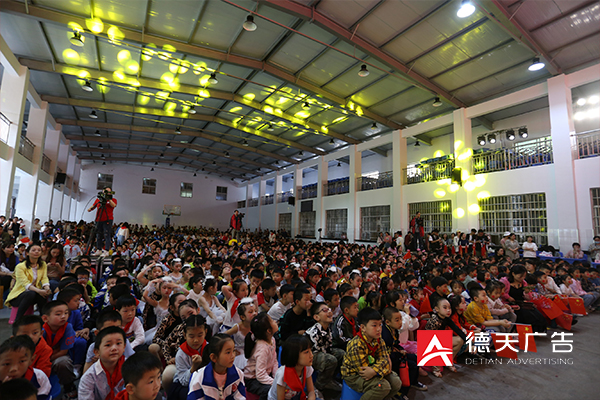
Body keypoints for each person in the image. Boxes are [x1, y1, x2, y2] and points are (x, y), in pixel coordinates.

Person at [341, 307, 402, 400]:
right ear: (363, 327)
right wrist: (382, 369)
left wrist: (375, 371)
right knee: (382, 386)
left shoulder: (379, 339)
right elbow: (365, 372)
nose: (379, 329)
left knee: (396, 382)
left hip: (373, 370)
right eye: (374, 325)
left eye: (380, 325)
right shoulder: (356, 345)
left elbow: (385, 359)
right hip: (354, 376)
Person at [381, 307, 427, 399]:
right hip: (388, 360)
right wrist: (399, 353)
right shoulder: (385, 334)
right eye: (397, 320)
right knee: (411, 365)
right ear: (387, 322)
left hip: (395, 355)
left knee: (416, 358)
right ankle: (400, 392)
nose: (400, 322)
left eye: (401, 319)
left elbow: (396, 344)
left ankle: (413, 382)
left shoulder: (395, 330)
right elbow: (387, 353)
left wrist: (400, 349)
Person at [187, 334, 246, 400]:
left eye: (234, 350)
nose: (233, 356)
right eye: (228, 352)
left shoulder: (238, 375)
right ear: (214, 357)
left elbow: (240, 397)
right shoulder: (198, 377)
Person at [304, 302, 345, 393]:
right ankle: (320, 385)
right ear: (316, 317)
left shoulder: (327, 328)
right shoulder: (314, 331)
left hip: (322, 352)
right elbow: (316, 350)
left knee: (342, 354)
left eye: (329, 309)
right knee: (330, 360)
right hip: (310, 355)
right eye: (325, 310)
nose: (329, 312)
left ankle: (330, 378)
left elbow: (328, 347)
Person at [6, 243, 51, 322]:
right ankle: (18, 320)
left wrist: (47, 288)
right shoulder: (20, 266)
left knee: (42, 295)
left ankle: (43, 320)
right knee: (31, 293)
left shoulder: (43, 264)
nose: (36, 252)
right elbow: (25, 283)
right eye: (33, 250)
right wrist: (39, 291)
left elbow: (44, 278)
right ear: (27, 253)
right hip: (18, 296)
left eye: (39, 250)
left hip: (33, 293)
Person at [78, 326, 127, 400]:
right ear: (97, 352)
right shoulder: (89, 377)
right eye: (108, 345)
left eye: (118, 343)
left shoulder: (130, 366)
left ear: (124, 347)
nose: (114, 348)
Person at [424, 297, 467, 378]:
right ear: (437, 309)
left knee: (460, 340)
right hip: (429, 343)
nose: (448, 310)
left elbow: (457, 329)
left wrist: (468, 341)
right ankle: (436, 369)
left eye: (449, 308)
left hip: (439, 340)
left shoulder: (446, 318)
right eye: (445, 307)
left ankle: (448, 362)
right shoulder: (434, 320)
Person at [168, 315, 208, 400]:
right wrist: (194, 367)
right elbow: (183, 382)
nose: (196, 340)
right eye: (191, 336)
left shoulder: (209, 348)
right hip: (185, 385)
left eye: (200, 335)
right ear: (184, 335)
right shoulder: (181, 354)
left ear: (205, 332)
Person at [0, 335, 51, 400]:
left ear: (31, 360)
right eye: (7, 364)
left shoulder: (39, 377)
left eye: (21, 361)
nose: (14, 369)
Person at [267, 334, 316, 400]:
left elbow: (311, 392)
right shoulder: (282, 374)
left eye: (311, 350)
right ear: (294, 355)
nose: (311, 355)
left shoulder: (307, 367)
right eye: (306, 352)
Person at [243, 313, 279, 400]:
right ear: (269, 331)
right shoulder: (262, 348)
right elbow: (260, 375)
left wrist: (277, 377)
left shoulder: (272, 339)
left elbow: (274, 361)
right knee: (267, 390)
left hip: (265, 374)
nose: (275, 321)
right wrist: (275, 383)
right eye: (272, 321)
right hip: (253, 379)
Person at [87, 187, 117, 255]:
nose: (107, 192)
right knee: (98, 235)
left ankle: (106, 250)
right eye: (106, 191)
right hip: (98, 219)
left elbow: (114, 205)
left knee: (106, 234)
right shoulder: (98, 200)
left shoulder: (113, 200)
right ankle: (99, 249)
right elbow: (93, 206)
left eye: (109, 191)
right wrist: (90, 209)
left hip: (108, 219)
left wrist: (109, 199)